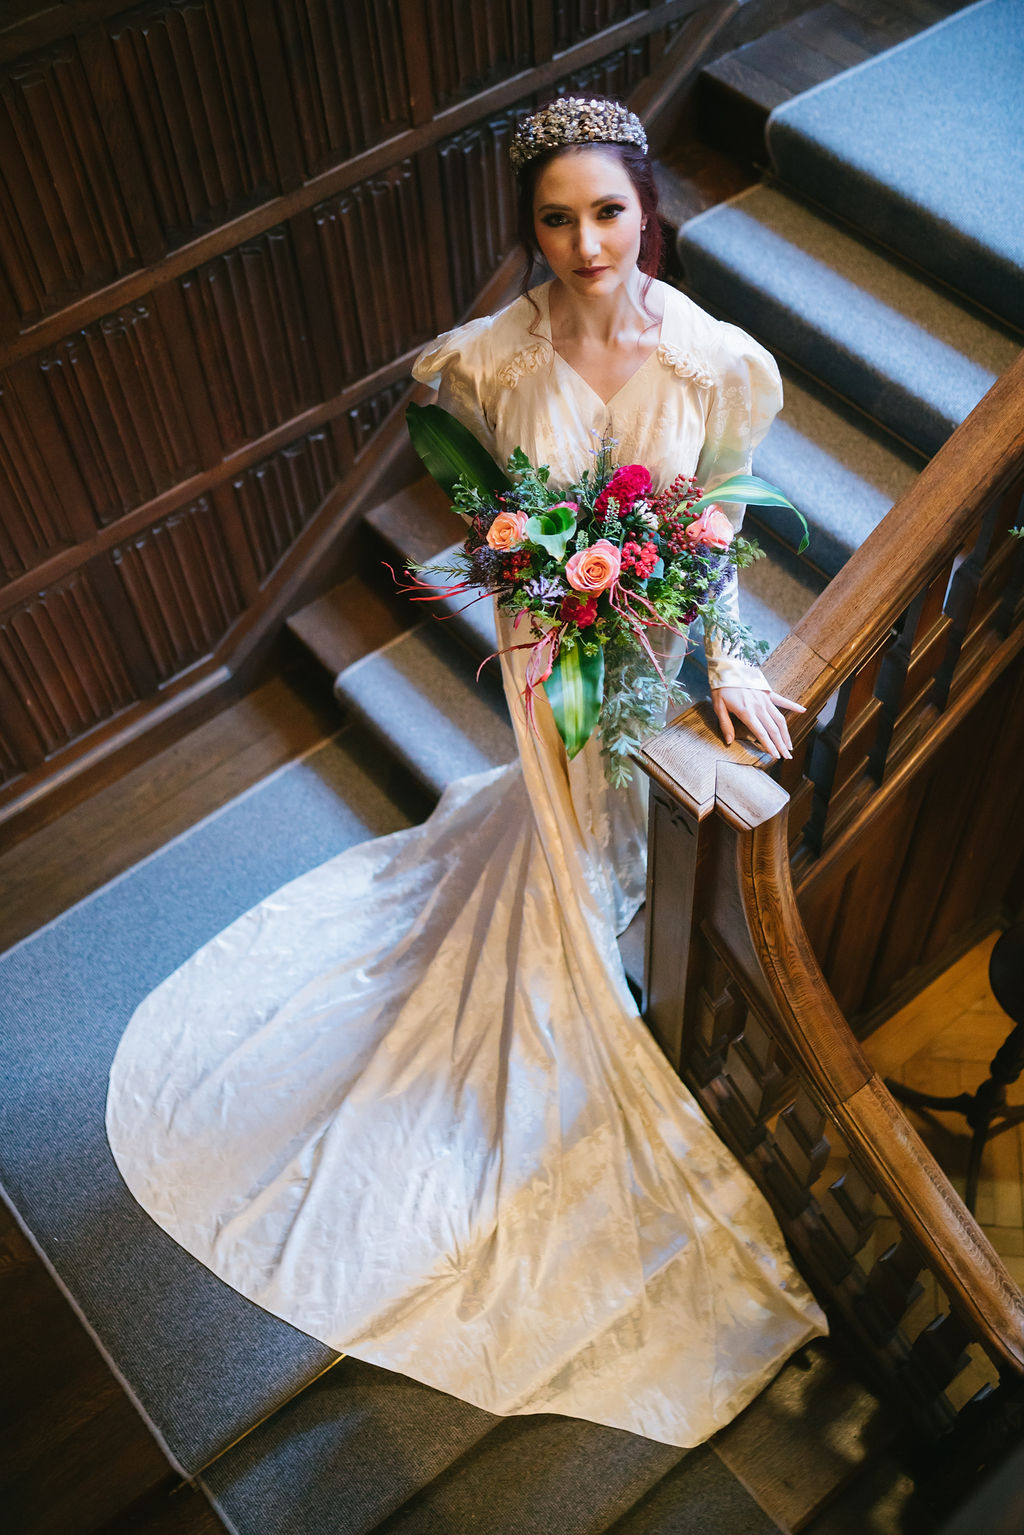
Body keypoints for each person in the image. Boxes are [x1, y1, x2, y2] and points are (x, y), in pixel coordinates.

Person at [106, 96, 826, 1450]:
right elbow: (499, 515)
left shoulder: (721, 363)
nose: (583, 243)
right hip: (551, 648)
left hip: (655, 632)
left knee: (635, 802)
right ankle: (565, 945)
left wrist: (724, 657)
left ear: (646, 208)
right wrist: (538, 593)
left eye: (606, 212)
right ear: (530, 229)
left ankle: (608, 875)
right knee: (567, 830)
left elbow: (719, 516)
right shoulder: (490, 366)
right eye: (554, 220)